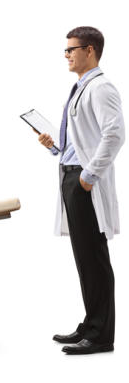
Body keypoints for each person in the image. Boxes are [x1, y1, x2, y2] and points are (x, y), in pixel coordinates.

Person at [37, 27, 125, 355]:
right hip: (72, 177)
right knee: (84, 258)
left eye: (71, 49)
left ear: (90, 50)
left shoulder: (101, 88)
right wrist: (55, 146)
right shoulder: (80, 87)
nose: (66, 55)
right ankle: (91, 325)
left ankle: (101, 336)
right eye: (66, 50)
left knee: (94, 258)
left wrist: (88, 177)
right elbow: (80, 140)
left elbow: (114, 135)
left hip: (84, 183)